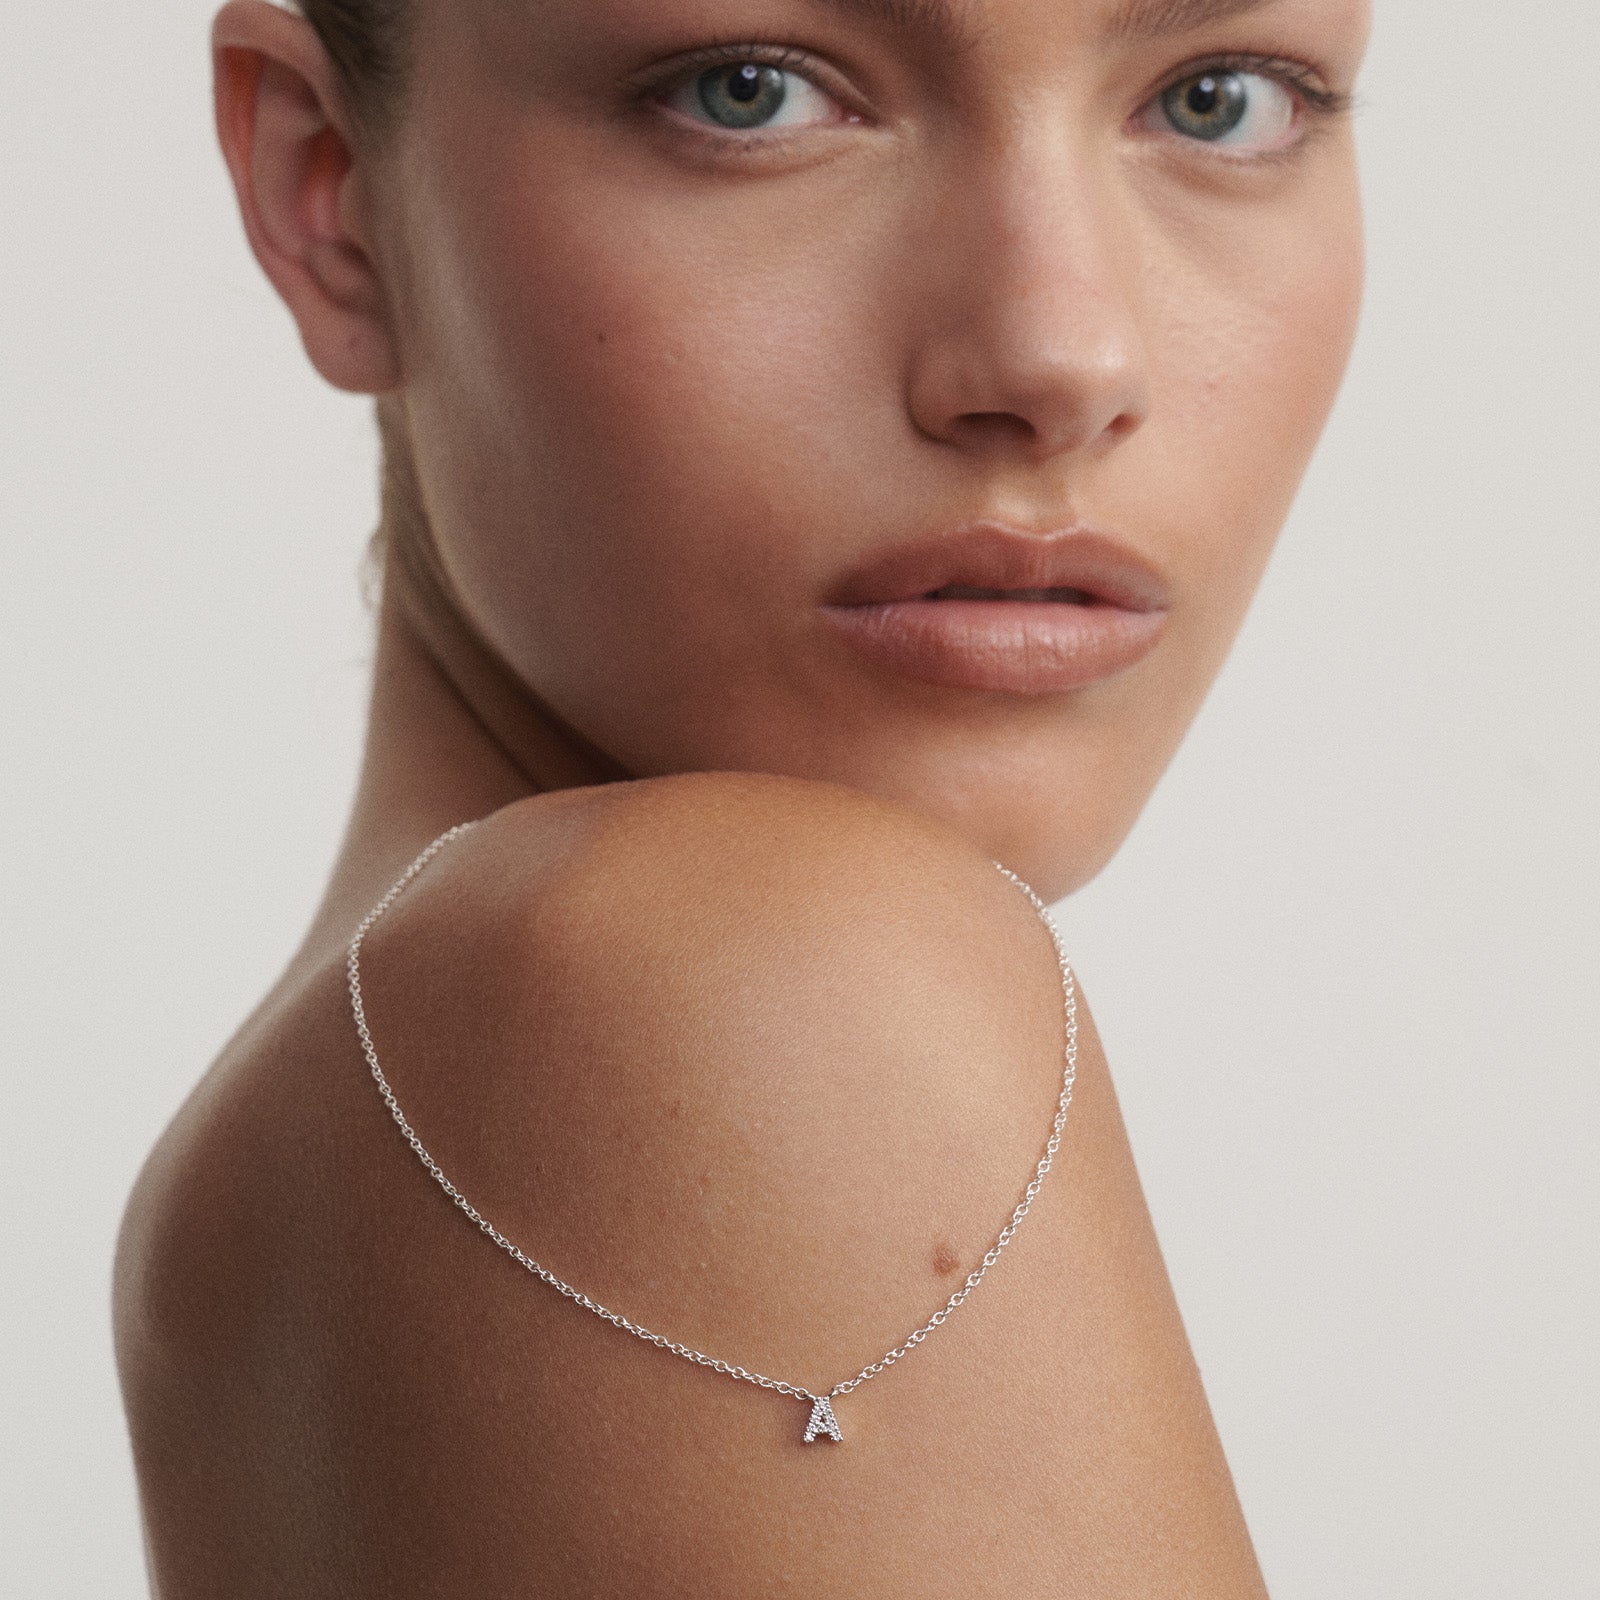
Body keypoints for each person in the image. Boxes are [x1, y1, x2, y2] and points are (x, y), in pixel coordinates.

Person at [114, 0, 1371, 1590]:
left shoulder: (279, 1179)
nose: (1063, 359)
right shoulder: (737, 982)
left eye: (1218, 102)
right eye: (753, 91)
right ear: (331, 191)